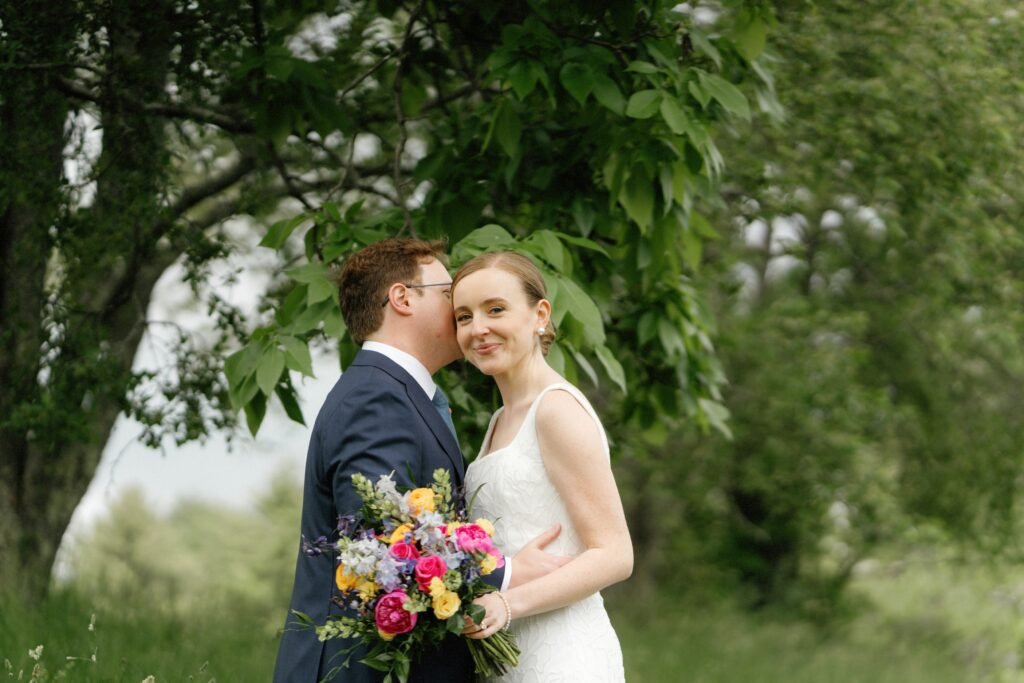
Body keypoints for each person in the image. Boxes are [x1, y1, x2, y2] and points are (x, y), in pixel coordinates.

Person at [272, 238, 568, 683]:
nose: (460, 310)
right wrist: (508, 573)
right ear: (403, 298)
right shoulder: (375, 399)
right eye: (448, 294)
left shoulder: (399, 394)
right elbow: (385, 542)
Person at [453, 251, 633, 682]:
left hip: (563, 656)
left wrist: (507, 603)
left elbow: (615, 555)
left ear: (540, 314)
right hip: (510, 654)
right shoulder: (501, 419)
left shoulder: (556, 409)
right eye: (464, 317)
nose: (479, 328)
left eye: (496, 309)